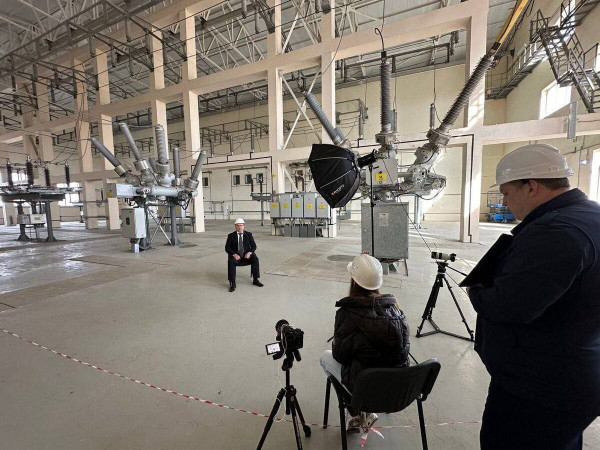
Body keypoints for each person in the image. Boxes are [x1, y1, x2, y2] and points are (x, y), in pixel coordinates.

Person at [466, 144, 600, 450]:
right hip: (574, 373)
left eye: (506, 192)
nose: (504, 201)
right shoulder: (590, 216)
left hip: (540, 387)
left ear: (531, 186)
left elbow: (507, 306)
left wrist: (476, 290)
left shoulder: (556, 231)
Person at [320, 254, 410, 431]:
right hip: (397, 390)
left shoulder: (348, 314)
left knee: (325, 357)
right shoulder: (397, 311)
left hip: (365, 389)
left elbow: (339, 356)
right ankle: (364, 414)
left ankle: (355, 412)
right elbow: (403, 353)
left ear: (353, 282)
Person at [225, 218, 263, 292]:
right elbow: (227, 248)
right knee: (231, 261)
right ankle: (232, 283)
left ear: (244, 226)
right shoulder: (231, 236)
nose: (240, 227)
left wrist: (250, 252)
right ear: (235, 226)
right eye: (238, 225)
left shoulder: (249, 235)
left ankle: (255, 280)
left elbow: (254, 246)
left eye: (241, 225)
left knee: (255, 259)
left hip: (246, 256)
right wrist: (234, 254)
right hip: (236, 256)